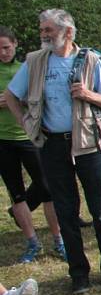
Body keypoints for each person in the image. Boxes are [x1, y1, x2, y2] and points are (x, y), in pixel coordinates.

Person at [5, 9, 101, 294]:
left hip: (89, 144)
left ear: (68, 33)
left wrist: (87, 94)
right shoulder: (35, 62)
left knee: (99, 209)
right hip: (52, 144)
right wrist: (26, 124)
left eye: (49, 30)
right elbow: (11, 95)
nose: (44, 34)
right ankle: (78, 274)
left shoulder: (91, 60)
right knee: (65, 210)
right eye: (42, 29)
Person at [0, 26, 64, 263]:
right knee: (17, 194)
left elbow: (42, 97)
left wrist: (20, 100)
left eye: (6, 47)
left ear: (15, 45)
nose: (3, 53)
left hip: (30, 138)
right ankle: (32, 243)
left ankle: (59, 240)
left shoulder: (27, 68)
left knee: (47, 189)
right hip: (3, 141)